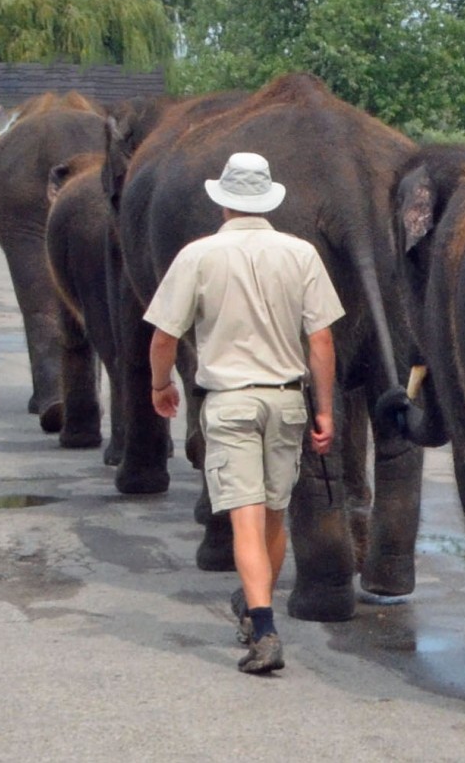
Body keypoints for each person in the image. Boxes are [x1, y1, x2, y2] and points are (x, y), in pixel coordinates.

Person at [143, 152, 341, 675]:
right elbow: (320, 339)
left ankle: (265, 629)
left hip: (229, 401)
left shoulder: (198, 256)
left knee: (245, 521)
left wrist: (161, 385)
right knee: (274, 516)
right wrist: (325, 409)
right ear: (268, 199)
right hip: (286, 399)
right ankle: (257, 606)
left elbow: (164, 337)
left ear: (223, 200)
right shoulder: (300, 254)